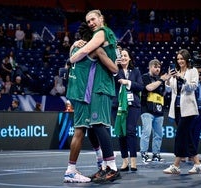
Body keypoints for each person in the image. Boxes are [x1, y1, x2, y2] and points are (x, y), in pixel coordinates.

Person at [67, 10, 120, 183]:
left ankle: (111, 167)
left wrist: (71, 57)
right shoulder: (105, 36)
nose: (90, 23)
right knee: (94, 126)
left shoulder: (101, 34)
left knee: (98, 125)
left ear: (101, 18)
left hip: (100, 87)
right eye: (88, 21)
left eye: (93, 19)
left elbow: (114, 69)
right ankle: (104, 166)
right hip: (93, 88)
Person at [163, 49, 201, 174]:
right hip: (176, 109)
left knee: (180, 136)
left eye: (182, 58)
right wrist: (168, 79)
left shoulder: (193, 71)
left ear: (187, 59)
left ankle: (176, 165)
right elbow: (169, 90)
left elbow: (193, 87)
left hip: (189, 110)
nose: (180, 61)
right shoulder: (176, 72)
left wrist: (182, 79)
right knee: (188, 137)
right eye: (178, 59)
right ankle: (197, 164)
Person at [114, 48, 143, 171]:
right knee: (121, 132)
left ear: (129, 58)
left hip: (133, 105)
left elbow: (140, 86)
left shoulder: (135, 71)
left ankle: (133, 161)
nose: (123, 57)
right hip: (118, 105)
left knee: (131, 131)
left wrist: (127, 82)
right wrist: (114, 67)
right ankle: (125, 161)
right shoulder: (115, 71)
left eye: (126, 55)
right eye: (121, 56)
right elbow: (112, 83)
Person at [140, 59, 171, 163]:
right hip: (147, 109)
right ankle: (144, 153)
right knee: (147, 132)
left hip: (159, 109)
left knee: (158, 134)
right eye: (155, 67)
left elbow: (164, 93)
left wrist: (167, 81)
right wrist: (161, 80)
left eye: (159, 67)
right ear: (150, 67)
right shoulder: (145, 77)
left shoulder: (160, 79)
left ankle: (156, 154)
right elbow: (149, 88)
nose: (158, 69)